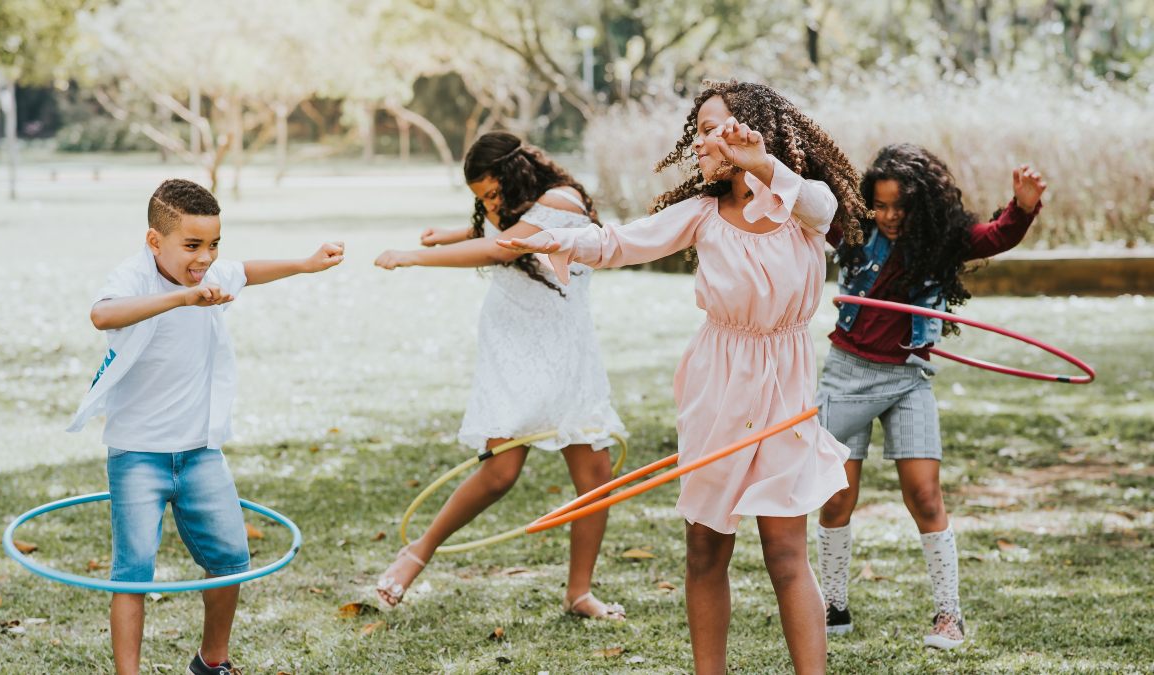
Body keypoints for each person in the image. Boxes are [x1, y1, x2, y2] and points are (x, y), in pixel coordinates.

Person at [500, 81, 866, 675]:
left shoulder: (801, 209)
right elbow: (620, 242)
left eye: (709, 129)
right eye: (694, 131)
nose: (697, 143)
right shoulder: (701, 214)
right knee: (704, 548)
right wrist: (556, 239)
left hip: (785, 388)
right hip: (716, 385)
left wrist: (761, 166)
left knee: (785, 552)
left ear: (751, 133)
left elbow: (826, 211)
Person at [67, 178, 344, 675]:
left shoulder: (213, 273)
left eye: (214, 244)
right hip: (137, 455)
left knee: (231, 558)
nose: (205, 257)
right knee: (132, 574)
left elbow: (249, 271)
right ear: (155, 242)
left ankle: (211, 661)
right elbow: (102, 315)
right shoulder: (135, 277)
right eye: (192, 245)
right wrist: (181, 299)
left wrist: (305, 263)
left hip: (201, 453)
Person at [372, 132, 627, 620]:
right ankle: (416, 553)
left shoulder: (562, 201)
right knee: (499, 471)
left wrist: (414, 256)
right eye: (482, 199)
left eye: (493, 194)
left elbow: (504, 249)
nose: (490, 206)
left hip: (567, 349)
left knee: (595, 478)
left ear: (519, 175)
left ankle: (579, 593)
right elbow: (503, 234)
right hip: (513, 344)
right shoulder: (525, 208)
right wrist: (450, 235)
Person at [815, 143, 1046, 649]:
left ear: (923, 204)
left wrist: (1023, 206)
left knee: (924, 495)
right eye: (881, 204)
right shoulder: (854, 230)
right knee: (835, 497)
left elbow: (994, 236)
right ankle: (832, 606)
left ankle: (949, 616)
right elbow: (806, 207)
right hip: (847, 373)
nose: (890, 215)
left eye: (901, 205)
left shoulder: (941, 240)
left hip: (907, 378)